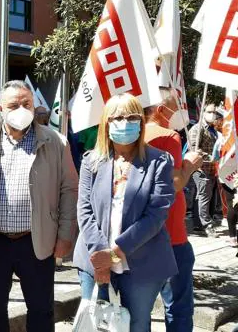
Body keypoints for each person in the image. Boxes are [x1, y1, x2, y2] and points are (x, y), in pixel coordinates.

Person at [0, 80, 78, 332]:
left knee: (41, 308)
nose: (21, 109)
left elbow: (69, 190)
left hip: (37, 241)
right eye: (14, 105)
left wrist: (65, 235)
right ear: (1, 109)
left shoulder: (56, 142)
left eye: (27, 103)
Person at [73, 93, 177, 332]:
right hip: (94, 260)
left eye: (132, 116)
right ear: (106, 122)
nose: (125, 122)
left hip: (142, 263)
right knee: (96, 324)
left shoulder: (159, 161)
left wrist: (116, 253)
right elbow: (84, 209)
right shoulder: (91, 161)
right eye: (118, 117)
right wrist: (101, 258)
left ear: (141, 122)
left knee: (136, 326)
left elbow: (156, 215)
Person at [144, 87, 203, 332]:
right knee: (178, 307)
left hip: (141, 235)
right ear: (160, 110)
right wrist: (189, 165)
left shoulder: (135, 136)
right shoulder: (168, 136)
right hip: (171, 236)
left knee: (139, 309)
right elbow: (174, 183)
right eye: (174, 105)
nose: (179, 110)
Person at [189, 104, 221, 237]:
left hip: (212, 169)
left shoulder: (212, 130)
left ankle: (198, 225)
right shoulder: (198, 128)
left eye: (214, 112)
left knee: (203, 197)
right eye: (209, 111)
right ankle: (206, 224)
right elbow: (195, 150)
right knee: (204, 197)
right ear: (203, 112)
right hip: (202, 168)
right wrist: (212, 157)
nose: (212, 114)